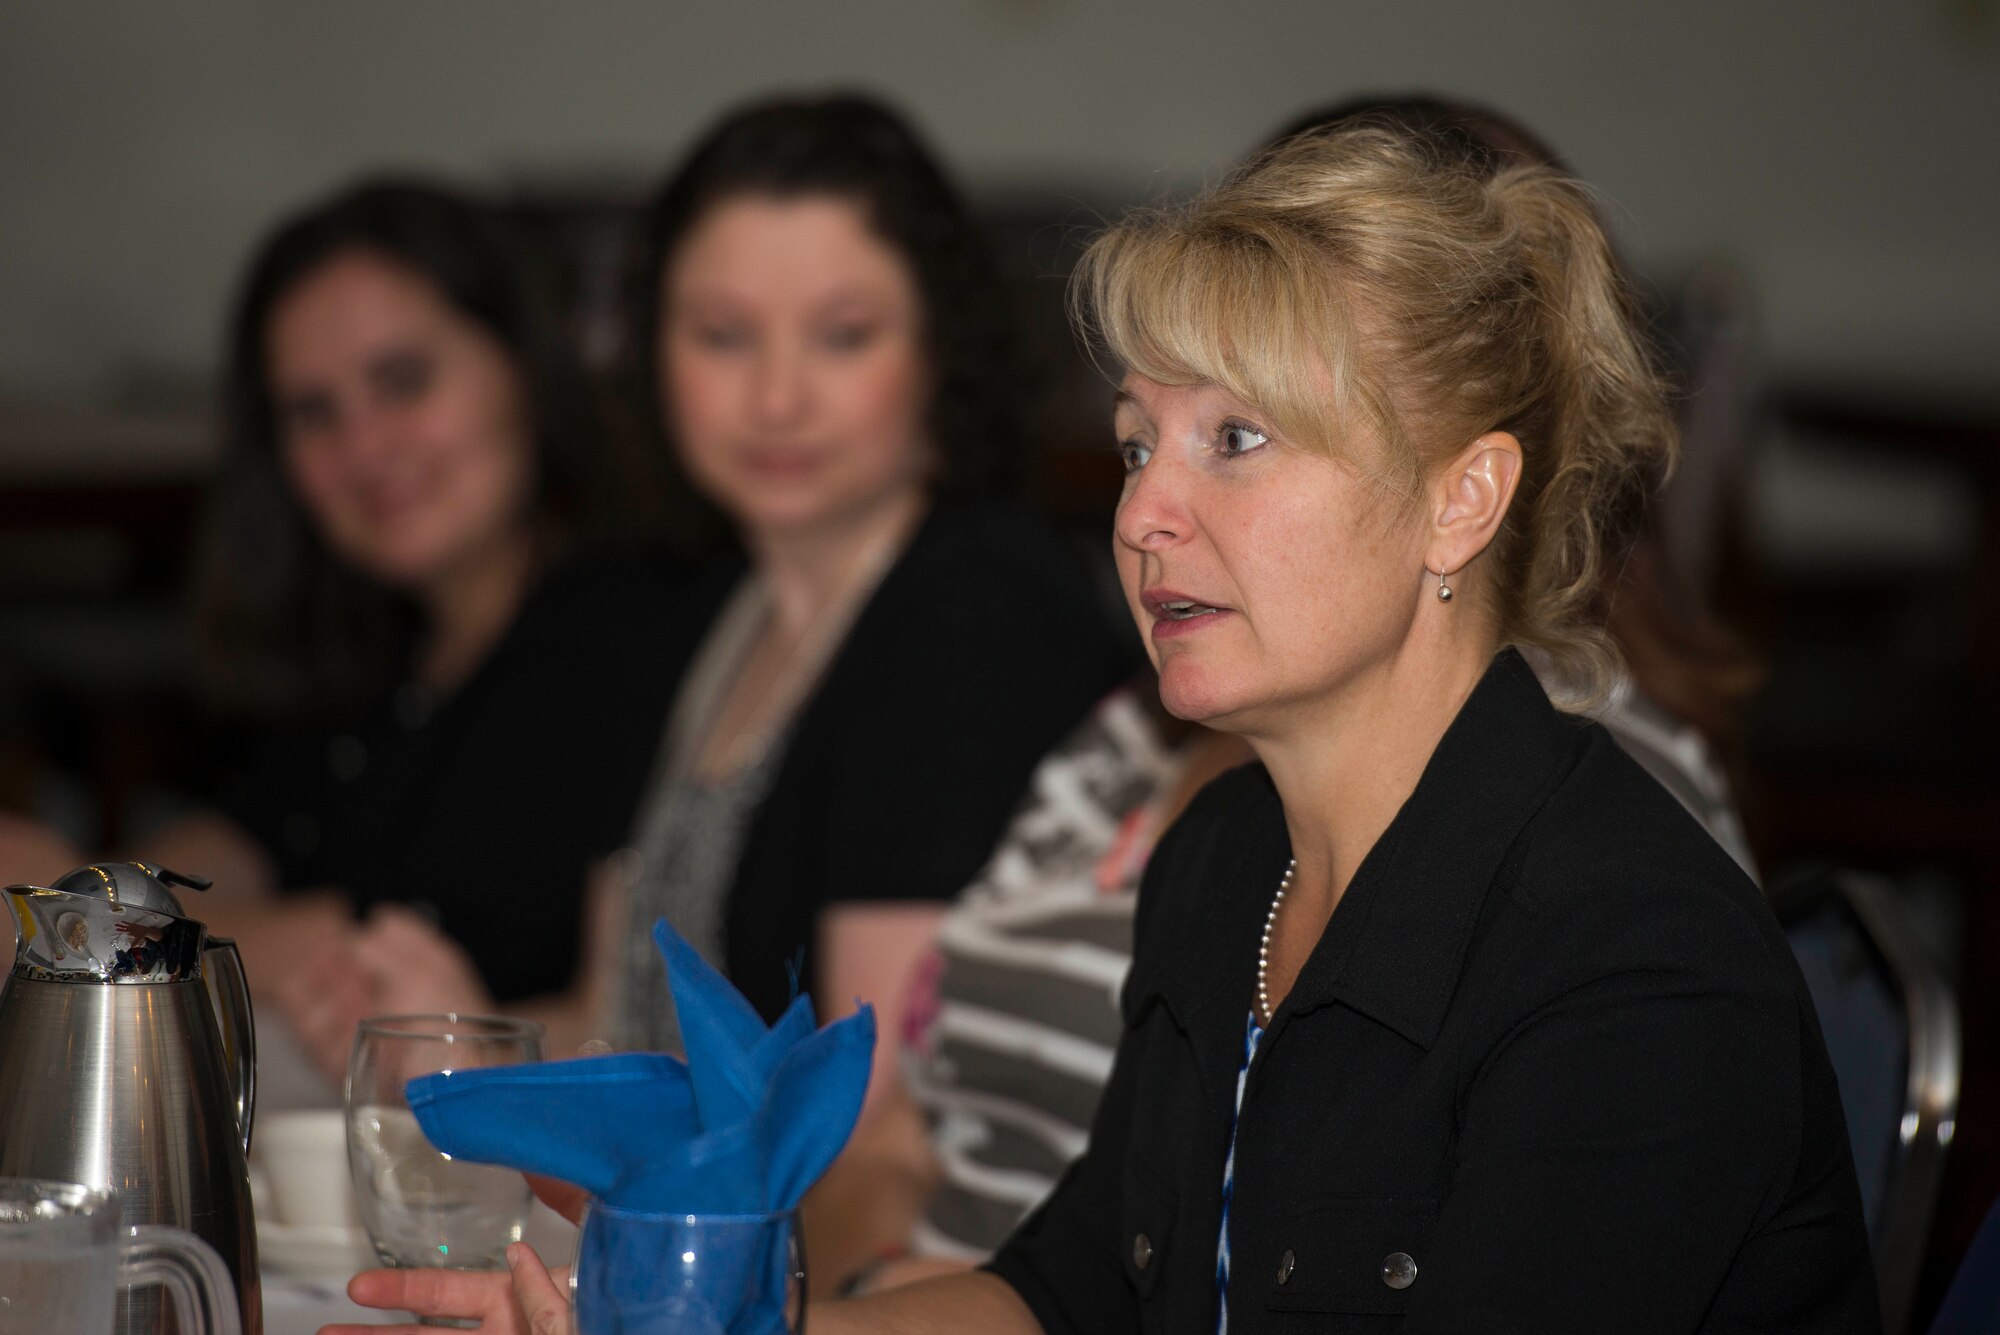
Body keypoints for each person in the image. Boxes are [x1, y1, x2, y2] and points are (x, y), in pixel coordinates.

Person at [334, 120, 1880, 1333]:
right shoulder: (1227, 859)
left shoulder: (1629, 963)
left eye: (1236, 438)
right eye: (1140, 444)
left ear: (1461, 498)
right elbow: (1069, 1289)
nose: (1145, 515)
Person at [325, 92, 1135, 1282]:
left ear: (940, 348)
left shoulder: (973, 612)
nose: (776, 398)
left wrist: (513, 1098)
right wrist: (476, 1048)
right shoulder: (724, 605)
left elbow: (862, 1134)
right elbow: (626, 1012)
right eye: (721, 336)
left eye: (842, 335)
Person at [139, 180, 682, 1087]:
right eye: (314, 413)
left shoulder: (637, 634)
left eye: (403, 381)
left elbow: (636, 1029)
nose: (365, 449)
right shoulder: (376, 656)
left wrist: (168, 929)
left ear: (524, 364)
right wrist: (108, 899)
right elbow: (208, 859)